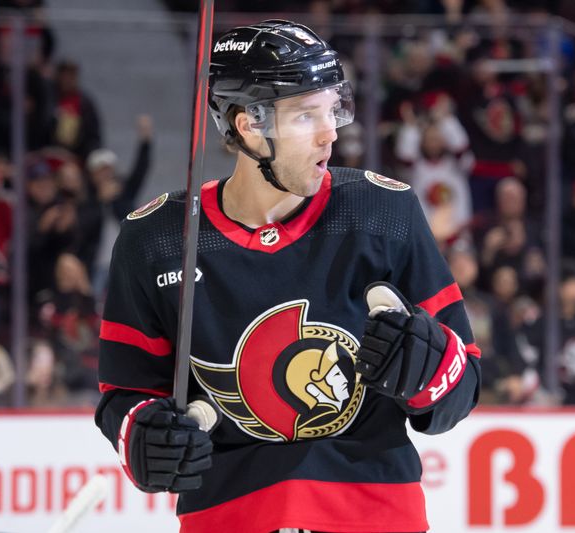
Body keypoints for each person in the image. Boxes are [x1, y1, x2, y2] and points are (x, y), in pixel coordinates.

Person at [94, 20, 481, 533]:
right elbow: (124, 392)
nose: (331, 132)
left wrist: (430, 365)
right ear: (248, 125)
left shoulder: (383, 212)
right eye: (306, 115)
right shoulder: (159, 240)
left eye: (333, 109)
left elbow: (464, 384)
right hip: (229, 518)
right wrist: (144, 435)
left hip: (372, 514)